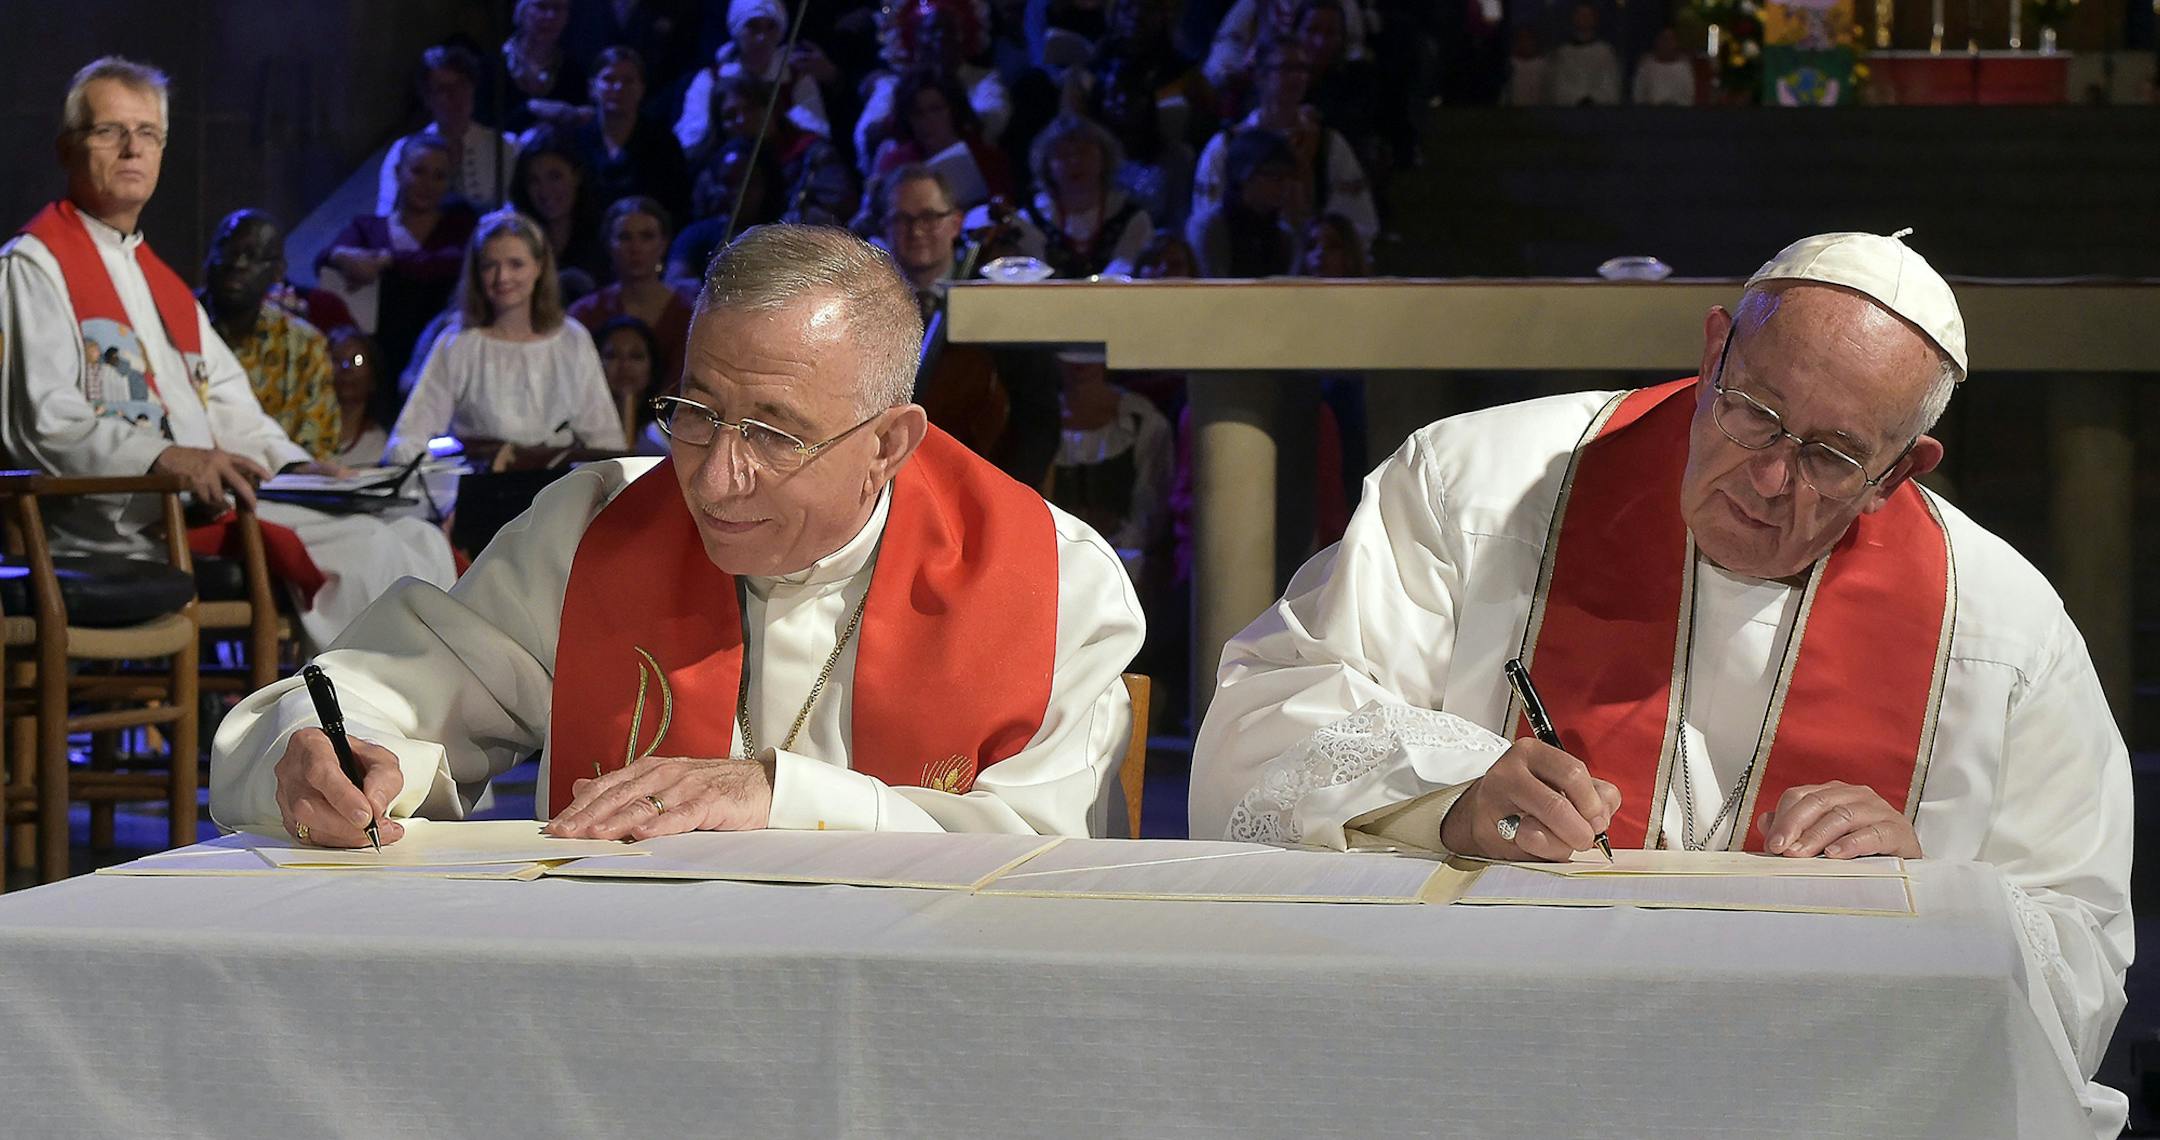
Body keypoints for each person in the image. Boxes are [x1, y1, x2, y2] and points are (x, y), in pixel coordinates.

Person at [1187, 231, 2132, 1131]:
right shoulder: (1473, 486)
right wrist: (1443, 796)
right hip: (1468, 1063)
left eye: (1832, 456)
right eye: (1753, 411)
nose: (1769, 478)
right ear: (1716, 346)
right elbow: (1264, 721)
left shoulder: (2004, 626)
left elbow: (2077, 951)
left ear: (1900, 471)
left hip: (1810, 1095)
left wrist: (1925, 901)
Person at [211, 223, 1146, 847]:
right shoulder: (597, 532)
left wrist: (780, 799)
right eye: (695, 414)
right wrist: (328, 750)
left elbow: (1043, 857)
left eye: (775, 433)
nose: (714, 475)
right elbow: (384, 693)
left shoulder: (1049, 578)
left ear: (889, 444)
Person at [0, 57, 456, 647]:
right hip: (120, 519)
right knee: (365, 548)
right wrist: (164, 457)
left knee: (413, 533)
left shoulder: (160, 284)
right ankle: (360, 722)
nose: (132, 148)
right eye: (110, 130)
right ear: (68, 148)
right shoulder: (34, 268)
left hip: (186, 504)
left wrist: (299, 467)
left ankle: (433, 723)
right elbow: (46, 422)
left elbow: (233, 412)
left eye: (148, 133)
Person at [385, 210, 622, 466]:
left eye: (516, 264)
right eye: (490, 266)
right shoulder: (459, 342)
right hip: (479, 486)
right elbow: (410, 435)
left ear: (539, 267)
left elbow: (604, 439)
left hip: (557, 487)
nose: (502, 277)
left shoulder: (571, 339)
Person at [318, 133, 480, 385]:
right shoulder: (368, 228)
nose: (427, 184)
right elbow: (325, 259)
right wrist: (340, 255)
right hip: (377, 363)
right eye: (418, 171)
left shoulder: (460, 227)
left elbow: (451, 262)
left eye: (439, 176)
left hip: (445, 358)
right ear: (398, 172)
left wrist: (389, 260)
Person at [1191, 37, 1376, 253]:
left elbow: (1358, 221)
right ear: (1260, 76)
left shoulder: (1329, 144)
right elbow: (1205, 221)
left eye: (1303, 69)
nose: (1297, 78)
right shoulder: (1226, 145)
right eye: (1286, 69)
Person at [201, 209, 340, 462]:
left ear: (277, 272)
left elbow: (318, 447)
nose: (237, 264)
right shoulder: (170, 324)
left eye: (252, 256)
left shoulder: (304, 346)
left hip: (278, 489)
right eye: (227, 250)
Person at [1048, 349, 1172, 581]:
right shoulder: (1041, 421)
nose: (1080, 366)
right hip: (1057, 562)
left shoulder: (1140, 421)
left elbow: (1153, 501)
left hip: (1124, 567)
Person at [569, 196, 697, 395]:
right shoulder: (585, 314)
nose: (635, 248)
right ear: (609, 244)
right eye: (624, 237)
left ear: (663, 244)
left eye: (646, 236)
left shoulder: (687, 317)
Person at [375, 44, 520, 215]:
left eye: (461, 85)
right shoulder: (403, 150)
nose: (455, 96)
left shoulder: (505, 146)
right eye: (442, 89)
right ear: (428, 98)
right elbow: (385, 215)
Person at [1003, 113, 1153, 279]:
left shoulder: (1131, 217)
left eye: (1084, 152)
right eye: (1063, 154)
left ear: (1104, 158)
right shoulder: (1029, 219)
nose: (1074, 161)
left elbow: (1128, 271)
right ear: (1046, 165)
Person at [675, 0, 834, 154]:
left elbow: (817, 131)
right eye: (753, 27)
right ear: (737, 30)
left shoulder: (796, 76)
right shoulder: (710, 78)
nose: (762, 38)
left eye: (771, 27)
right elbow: (690, 139)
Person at [573, 47, 692, 226]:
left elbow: (676, 204)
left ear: (642, 88)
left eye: (628, 80)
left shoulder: (662, 143)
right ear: (592, 87)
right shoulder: (574, 141)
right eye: (609, 79)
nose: (618, 87)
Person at [1187, 129, 1305, 277]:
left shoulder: (1284, 234)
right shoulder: (1209, 228)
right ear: (1244, 175)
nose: (1285, 186)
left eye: (1288, 177)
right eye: (1275, 176)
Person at [508, 126, 608, 296]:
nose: (545, 190)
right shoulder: (515, 239)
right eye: (534, 180)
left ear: (576, 176)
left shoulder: (604, 235)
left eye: (555, 177)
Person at [492, 0, 587, 132]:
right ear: (521, 11)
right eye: (541, 6)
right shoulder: (492, 67)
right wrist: (530, 108)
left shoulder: (573, 72)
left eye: (558, 9)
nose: (550, 16)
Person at [594, 314, 669, 452]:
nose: (625, 366)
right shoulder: (580, 432)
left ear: (652, 366)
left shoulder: (670, 427)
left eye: (636, 356)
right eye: (612, 356)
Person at [324, 326, 391, 467]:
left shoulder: (380, 445)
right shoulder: (302, 434)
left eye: (357, 361)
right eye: (336, 360)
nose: (346, 368)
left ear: (373, 378)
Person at [1548, 1, 1622, 106]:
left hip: (1600, 113)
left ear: (1595, 19)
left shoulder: (1605, 52)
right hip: (1568, 113)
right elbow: (1558, 88)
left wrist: (1592, 100)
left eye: (1588, 15)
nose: (1584, 18)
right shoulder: (1563, 53)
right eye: (1581, 15)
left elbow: (1611, 86)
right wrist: (1578, 99)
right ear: (1574, 18)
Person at [1631, 26, 1698, 106]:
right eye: (1664, 39)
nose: (1667, 43)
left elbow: (1689, 95)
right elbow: (1638, 94)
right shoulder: (1646, 66)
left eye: (1670, 39)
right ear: (1657, 41)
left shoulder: (1684, 68)